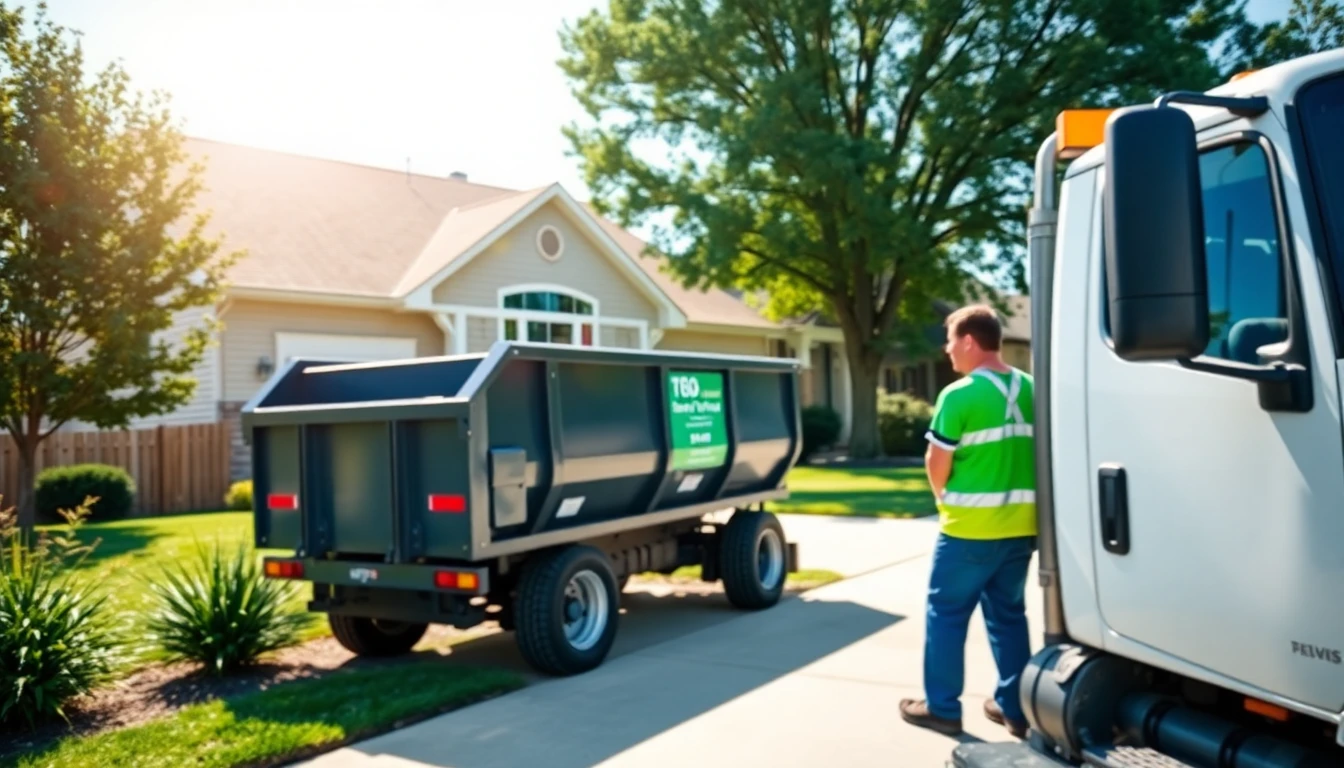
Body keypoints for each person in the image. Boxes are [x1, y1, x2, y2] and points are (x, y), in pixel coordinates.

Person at [899, 303, 1037, 739]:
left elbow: (936, 460)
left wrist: (944, 500)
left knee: (946, 615)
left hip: (968, 532)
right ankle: (1015, 709)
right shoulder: (1033, 388)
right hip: (1022, 529)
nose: (946, 351)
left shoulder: (958, 395)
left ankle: (941, 708)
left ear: (969, 341)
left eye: (950, 341)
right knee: (1009, 616)